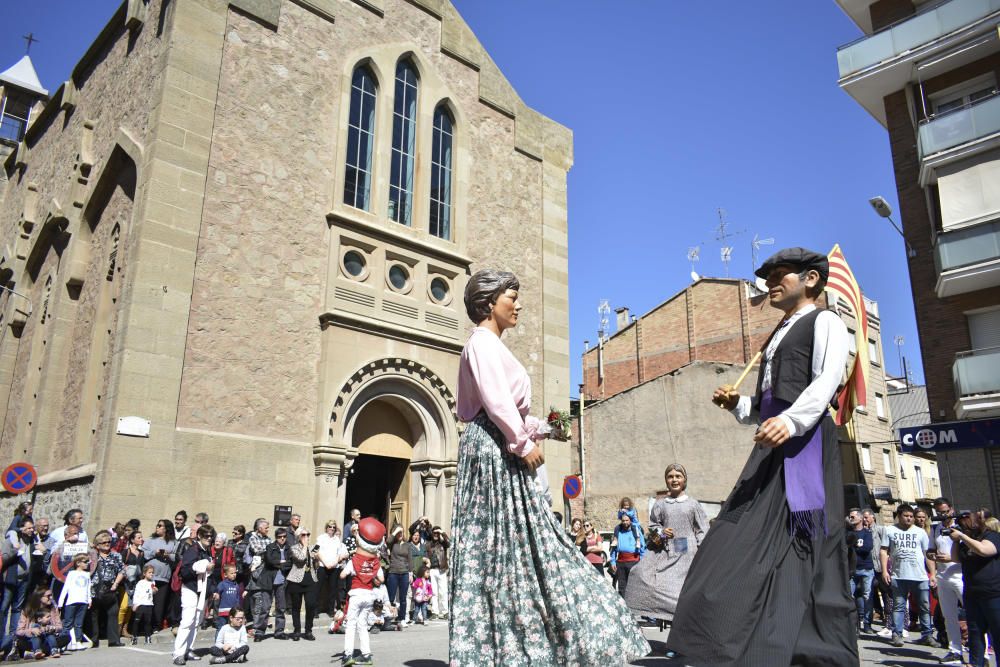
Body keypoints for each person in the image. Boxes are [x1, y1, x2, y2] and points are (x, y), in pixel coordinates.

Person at [451, 269, 649, 665]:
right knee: (511, 547)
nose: (518, 304)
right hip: (497, 449)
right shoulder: (482, 343)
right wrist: (522, 442)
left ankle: (534, 643)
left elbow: (506, 408)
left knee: (522, 547)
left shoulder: (494, 346)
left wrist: (544, 429)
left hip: (500, 443)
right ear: (490, 303)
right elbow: (494, 401)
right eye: (512, 297)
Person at [670, 248, 857, 665]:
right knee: (734, 537)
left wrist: (791, 423)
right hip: (772, 447)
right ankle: (738, 641)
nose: (770, 282)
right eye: (768, 276)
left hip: (803, 445)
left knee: (801, 547)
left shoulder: (824, 320)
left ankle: (799, 650)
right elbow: (770, 403)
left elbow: (825, 382)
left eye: (780, 275)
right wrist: (740, 403)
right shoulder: (777, 333)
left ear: (811, 278)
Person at [624, 464, 708, 626]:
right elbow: (653, 527)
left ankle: (683, 636)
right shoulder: (660, 504)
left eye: (678, 476)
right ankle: (665, 626)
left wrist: (702, 552)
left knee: (682, 595)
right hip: (667, 553)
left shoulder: (692, 504)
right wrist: (662, 532)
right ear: (666, 480)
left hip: (688, 555)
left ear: (684, 480)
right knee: (639, 574)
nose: (674, 479)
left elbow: (702, 529)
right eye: (670, 476)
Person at [947, 509, 1000, 667]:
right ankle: (976, 664)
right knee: (975, 632)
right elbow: (956, 558)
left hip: (993, 593)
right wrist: (957, 541)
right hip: (972, 593)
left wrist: (962, 536)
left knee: (997, 633)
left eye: (974, 518)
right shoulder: (970, 539)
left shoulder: (993, 536)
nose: (969, 521)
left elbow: (984, 550)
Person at [882, 504, 936, 648]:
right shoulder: (890, 530)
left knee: (924, 606)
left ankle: (927, 635)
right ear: (899, 516)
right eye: (906, 516)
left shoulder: (920, 532)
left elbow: (928, 554)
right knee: (899, 606)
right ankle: (897, 634)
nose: (909, 518)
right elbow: (884, 551)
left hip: (920, 576)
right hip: (899, 575)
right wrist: (885, 571)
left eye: (911, 516)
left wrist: (932, 573)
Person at [339, 518, 386, 667]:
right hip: (369, 595)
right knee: (363, 625)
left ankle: (348, 655)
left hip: (356, 594)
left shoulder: (355, 560)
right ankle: (366, 655)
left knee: (351, 624)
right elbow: (382, 578)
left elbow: (342, 575)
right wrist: (371, 575)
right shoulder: (376, 562)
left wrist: (344, 561)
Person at [172, 523, 215, 665]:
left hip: (201, 591)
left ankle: (188, 649)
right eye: (206, 536)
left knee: (196, 621)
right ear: (200, 536)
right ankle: (178, 653)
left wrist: (211, 591)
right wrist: (202, 567)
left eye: (211, 536)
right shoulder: (193, 550)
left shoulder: (207, 551)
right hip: (190, 589)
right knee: (187, 621)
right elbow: (185, 571)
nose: (209, 538)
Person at [931, 507, 964, 666]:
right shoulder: (936, 528)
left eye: (945, 511)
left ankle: (983, 652)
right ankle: (955, 651)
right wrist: (933, 556)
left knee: (974, 614)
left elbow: (969, 550)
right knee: (949, 616)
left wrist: (951, 557)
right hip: (943, 577)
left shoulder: (961, 526)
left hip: (960, 576)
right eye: (939, 512)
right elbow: (930, 550)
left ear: (951, 509)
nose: (943, 515)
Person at [1, 517, 35, 650]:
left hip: (24, 580)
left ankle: (13, 638)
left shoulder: (32, 541)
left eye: (32, 527)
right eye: (28, 528)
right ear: (21, 528)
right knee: (3, 608)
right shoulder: (12, 540)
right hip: (10, 579)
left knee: (17, 609)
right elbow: (4, 557)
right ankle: (1, 637)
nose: (32, 530)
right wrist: (15, 551)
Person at [89, 529, 125, 647]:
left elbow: (122, 570)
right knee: (94, 615)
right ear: (98, 545)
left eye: (109, 542)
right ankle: (93, 639)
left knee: (113, 613)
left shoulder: (116, 555)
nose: (107, 544)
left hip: (111, 587)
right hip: (95, 588)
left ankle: (114, 640)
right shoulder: (92, 556)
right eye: (104, 542)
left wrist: (116, 584)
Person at [142, 518, 177, 631]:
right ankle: (144, 626)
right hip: (149, 577)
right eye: (157, 525)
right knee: (146, 601)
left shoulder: (173, 542)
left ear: (166, 528)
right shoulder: (151, 540)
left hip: (163, 578)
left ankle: (156, 626)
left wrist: (167, 555)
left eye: (160, 525)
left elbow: (176, 557)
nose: (157, 527)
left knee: (159, 604)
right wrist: (154, 552)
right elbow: (143, 553)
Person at [286, 527, 318, 641]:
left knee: (311, 605)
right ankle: (297, 631)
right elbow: (300, 559)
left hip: (310, 579)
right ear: (298, 537)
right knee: (296, 607)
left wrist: (316, 559)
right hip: (296, 580)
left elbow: (316, 565)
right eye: (304, 535)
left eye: (308, 535)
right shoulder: (294, 548)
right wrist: (305, 547)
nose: (307, 537)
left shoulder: (312, 548)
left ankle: (308, 630)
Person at [846, 508, 875, 634]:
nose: (851, 519)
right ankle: (853, 623)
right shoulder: (848, 533)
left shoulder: (867, 533)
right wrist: (856, 546)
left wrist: (854, 547)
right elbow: (846, 547)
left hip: (866, 568)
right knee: (849, 596)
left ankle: (867, 624)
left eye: (853, 517)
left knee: (867, 597)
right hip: (852, 569)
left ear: (860, 518)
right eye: (850, 517)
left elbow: (867, 548)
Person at [14, 588, 62, 659]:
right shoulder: (27, 611)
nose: (51, 598)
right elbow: (19, 631)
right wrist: (31, 630)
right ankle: (42, 651)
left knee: (66, 636)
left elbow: (60, 627)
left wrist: (53, 628)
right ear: (40, 597)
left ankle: (44, 651)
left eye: (52, 595)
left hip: (48, 638)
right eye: (48, 596)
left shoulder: (53, 609)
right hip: (32, 639)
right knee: (20, 643)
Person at [58, 553, 92, 650]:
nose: (87, 564)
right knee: (68, 623)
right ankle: (63, 643)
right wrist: (61, 602)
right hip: (72, 601)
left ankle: (78, 641)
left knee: (79, 623)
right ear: (78, 563)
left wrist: (89, 599)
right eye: (85, 562)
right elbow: (66, 588)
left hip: (83, 601)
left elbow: (88, 588)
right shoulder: (72, 573)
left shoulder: (87, 574)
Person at [263, 528, 293, 640]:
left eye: (284, 536)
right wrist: (281, 563)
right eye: (280, 536)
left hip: (282, 581)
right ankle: (260, 632)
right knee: (265, 608)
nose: (282, 538)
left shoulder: (289, 548)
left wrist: (279, 564)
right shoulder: (270, 547)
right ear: (276, 537)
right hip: (269, 580)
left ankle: (279, 632)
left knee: (281, 608)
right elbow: (269, 561)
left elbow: (291, 563)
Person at [246, 519, 272, 640]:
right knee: (256, 603)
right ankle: (256, 628)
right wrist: (268, 551)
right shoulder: (252, 538)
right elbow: (257, 550)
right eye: (266, 527)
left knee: (264, 603)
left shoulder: (268, 539)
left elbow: (272, 551)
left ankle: (259, 629)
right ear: (259, 528)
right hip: (256, 575)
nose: (268, 529)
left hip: (267, 574)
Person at [610, 512, 645, 598]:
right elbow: (613, 548)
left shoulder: (636, 532)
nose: (625, 522)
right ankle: (624, 606)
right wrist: (613, 562)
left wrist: (642, 561)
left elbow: (642, 547)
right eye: (623, 520)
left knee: (634, 585)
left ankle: (634, 606)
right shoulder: (617, 532)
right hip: (621, 562)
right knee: (622, 586)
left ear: (630, 520)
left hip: (634, 562)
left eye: (627, 520)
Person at [315, 520, 346, 617]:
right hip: (322, 566)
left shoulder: (337, 539)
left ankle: (330, 610)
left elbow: (340, 553)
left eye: (334, 527)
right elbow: (316, 551)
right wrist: (325, 563)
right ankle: (315, 610)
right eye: (330, 526)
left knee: (333, 589)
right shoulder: (321, 538)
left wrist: (335, 563)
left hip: (335, 567)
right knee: (318, 589)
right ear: (326, 527)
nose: (332, 529)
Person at [426, 526, 449, 620]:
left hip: (441, 570)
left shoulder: (443, 544)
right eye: (434, 533)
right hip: (432, 569)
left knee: (443, 591)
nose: (435, 535)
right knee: (434, 592)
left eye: (437, 533)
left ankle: (444, 611)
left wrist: (442, 532)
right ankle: (435, 612)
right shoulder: (429, 544)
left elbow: (449, 543)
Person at [213, 565, 243, 631]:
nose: (234, 575)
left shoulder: (236, 585)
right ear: (225, 575)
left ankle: (230, 641)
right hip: (223, 611)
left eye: (235, 573)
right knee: (221, 628)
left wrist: (238, 609)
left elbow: (237, 598)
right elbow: (216, 591)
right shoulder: (222, 584)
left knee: (232, 628)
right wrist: (216, 594)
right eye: (231, 573)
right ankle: (219, 641)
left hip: (233, 612)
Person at [132, 564, 156, 645]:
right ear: (144, 573)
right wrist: (135, 604)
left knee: (148, 622)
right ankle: (134, 637)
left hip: (149, 604)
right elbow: (137, 593)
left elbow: (151, 593)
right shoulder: (140, 582)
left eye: (152, 573)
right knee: (137, 621)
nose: (151, 574)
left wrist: (155, 590)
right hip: (141, 604)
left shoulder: (153, 582)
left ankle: (148, 637)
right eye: (149, 572)